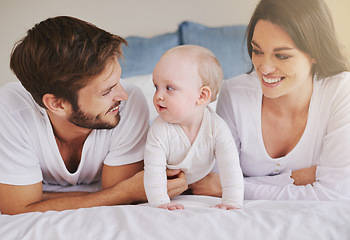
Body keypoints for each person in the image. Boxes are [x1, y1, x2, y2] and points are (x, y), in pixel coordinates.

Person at [0, 16, 188, 215]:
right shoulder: (10, 112)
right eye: (107, 91)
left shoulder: (130, 102)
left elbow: (114, 193)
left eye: (118, 81)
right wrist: (124, 192)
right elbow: (17, 208)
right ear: (57, 104)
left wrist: (38, 199)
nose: (122, 95)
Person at [212, 0, 350, 200]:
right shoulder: (233, 94)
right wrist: (301, 177)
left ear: (316, 54)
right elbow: (215, 178)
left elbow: (336, 192)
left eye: (282, 56)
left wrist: (235, 186)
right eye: (257, 51)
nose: (265, 68)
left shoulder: (341, 91)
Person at [144, 45, 244, 210]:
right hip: (170, 185)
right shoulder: (159, 130)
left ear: (202, 96)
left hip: (199, 183)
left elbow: (230, 166)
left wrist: (232, 201)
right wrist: (160, 201)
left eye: (169, 88)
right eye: (156, 87)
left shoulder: (217, 128)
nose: (158, 96)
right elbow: (153, 170)